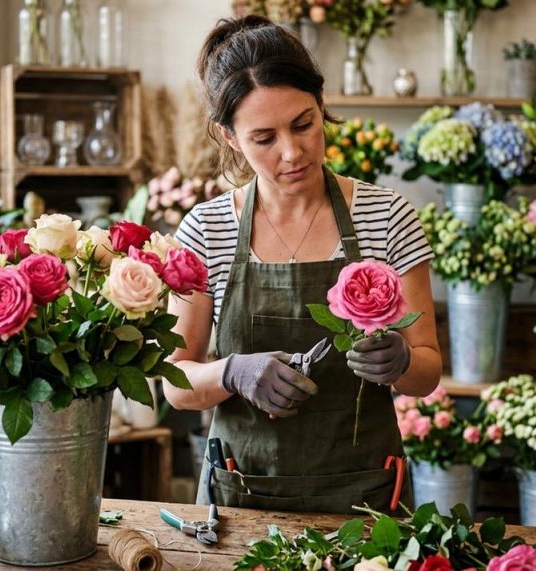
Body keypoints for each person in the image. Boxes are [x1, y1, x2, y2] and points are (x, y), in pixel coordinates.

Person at [162, 15, 441, 515]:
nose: (293, 152)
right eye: (263, 138)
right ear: (230, 138)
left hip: (365, 502)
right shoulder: (205, 231)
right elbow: (175, 383)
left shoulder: (387, 216)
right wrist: (232, 373)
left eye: (304, 124)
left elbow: (427, 372)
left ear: (321, 106)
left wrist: (401, 360)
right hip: (243, 497)